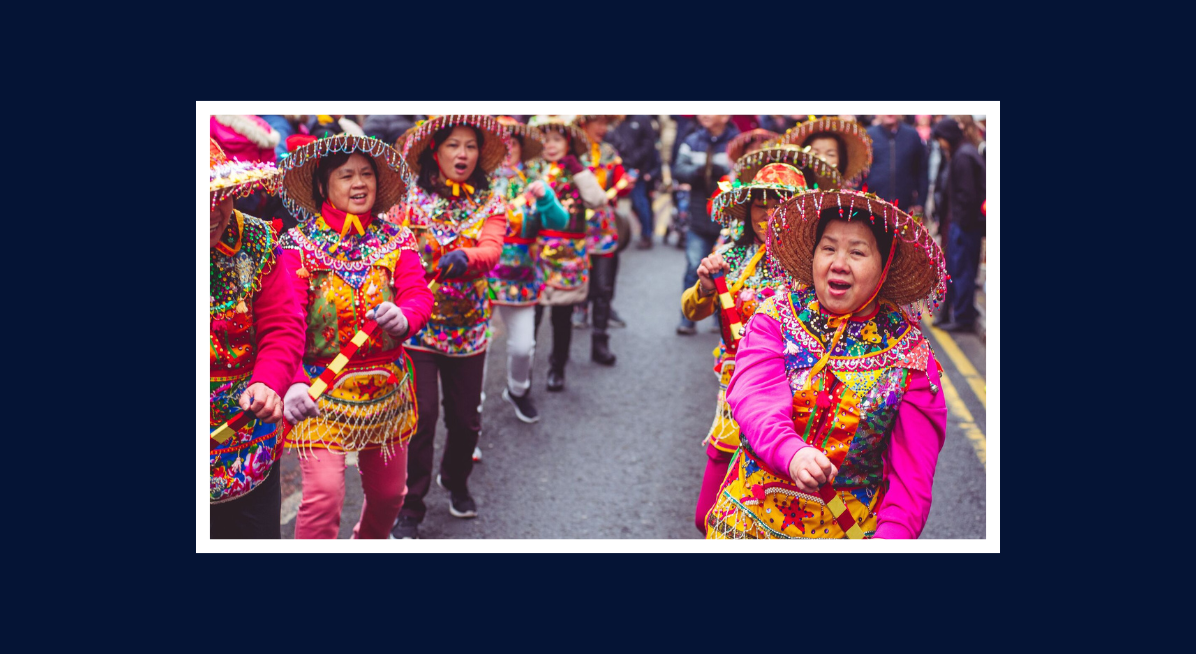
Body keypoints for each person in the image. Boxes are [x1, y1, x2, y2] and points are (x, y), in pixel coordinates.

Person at [705, 187, 949, 539]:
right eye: (829, 248)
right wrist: (791, 452)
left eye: (857, 252)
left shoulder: (912, 360)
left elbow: (912, 480)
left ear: (885, 267)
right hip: (748, 522)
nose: (838, 263)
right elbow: (755, 397)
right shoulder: (776, 316)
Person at [275, 134, 433, 539]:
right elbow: (286, 319)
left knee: (389, 497)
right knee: (324, 495)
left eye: (366, 174)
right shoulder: (298, 246)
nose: (359, 183)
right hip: (318, 392)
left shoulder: (397, 239)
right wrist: (292, 381)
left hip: (387, 391)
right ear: (323, 186)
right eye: (346, 175)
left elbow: (417, 293)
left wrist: (406, 316)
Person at [387, 115, 509, 538]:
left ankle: (455, 480)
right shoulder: (409, 200)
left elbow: (492, 249)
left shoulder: (491, 200)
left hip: (469, 327)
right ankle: (411, 504)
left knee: (465, 422)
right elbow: (394, 246)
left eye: (470, 146)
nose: (462, 154)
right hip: (418, 325)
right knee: (421, 418)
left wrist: (469, 257)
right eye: (454, 145)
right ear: (435, 152)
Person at [684, 162, 819, 534]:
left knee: (784, 517)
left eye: (780, 204)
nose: (768, 214)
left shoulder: (813, 263)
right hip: (735, 388)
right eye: (760, 204)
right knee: (706, 517)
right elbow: (692, 311)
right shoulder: (730, 253)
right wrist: (706, 288)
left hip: (794, 397)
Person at [208, 138, 305, 538]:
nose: (213, 211)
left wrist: (268, 380)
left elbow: (283, 323)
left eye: (219, 195)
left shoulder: (257, 240)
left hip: (245, 433)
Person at [488, 117, 571, 423]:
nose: (506, 149)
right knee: (478, 349)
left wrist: (547, 199)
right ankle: (471, 416)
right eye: (499, 143)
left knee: (523, 347)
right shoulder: (475, 183)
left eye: (512, 143)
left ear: (522, 148)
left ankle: (518, 389)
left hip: (521, 276)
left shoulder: (535, 181)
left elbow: (559, 223)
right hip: (480, 277)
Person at [525, 116, 609, 391]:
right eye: (546, 139)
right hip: (535, 254)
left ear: (569, 143)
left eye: (557, 139)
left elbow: (598, 201)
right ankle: (523, 371)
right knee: (531, 316)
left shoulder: (579, 170)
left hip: (568, 254)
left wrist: (578, 171)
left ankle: (556, 368)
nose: (550, 145)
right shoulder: (532, 170)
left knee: (562, 318)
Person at [673, 115, 740, 335]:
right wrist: (696, 173)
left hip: (729, 223)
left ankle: (720, 316)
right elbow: (678, 169)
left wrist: (723, 174)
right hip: (699, 217)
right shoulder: (692, 140)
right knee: (695, 267)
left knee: (727, 270)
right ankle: (687, 318)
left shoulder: (737, 142)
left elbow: (742, 174)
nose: (704, 114)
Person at [573, 115, 629, 363]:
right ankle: (559, 356)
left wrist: (624, 185)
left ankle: (600, 341)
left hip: (604, 229)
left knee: (604, 288)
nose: (602, 128)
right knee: (573, 287)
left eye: (605, 123)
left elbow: (622, 182)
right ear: (583, 124)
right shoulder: (571, 153)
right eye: (597, 122)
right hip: (574, 230)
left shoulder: (609, 152)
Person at [931, 118, 985, 332]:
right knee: (960, 270)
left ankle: (962, 317)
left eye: (941, 139)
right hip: (964, 225)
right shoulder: (965, 152)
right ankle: (958, 313)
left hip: (964, 226)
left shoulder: (962, 157)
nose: (941, 144)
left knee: (961, 271)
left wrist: (959, 225)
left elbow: (967, 196)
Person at [607, 115, 662, 249]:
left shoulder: (642, 119)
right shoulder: (616, 121)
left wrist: (635, 162)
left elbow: (649, 145)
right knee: (612, 201)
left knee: (639, 203)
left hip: (636, 170)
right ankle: (613, 233)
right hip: (618, 168)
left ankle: (647, 234)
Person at [780, 115, 873, 189]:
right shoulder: (790, 191)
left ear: (841, 161)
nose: (822, 159)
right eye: (815, 153)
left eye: (830, 154)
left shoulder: (849, 199)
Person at [862, 115, 927, 213]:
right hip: (873, 206)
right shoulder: (868, 136)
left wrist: (920, 203)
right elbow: (860, 173)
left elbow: (922, 171)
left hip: (905, 208)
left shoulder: (912, 136)